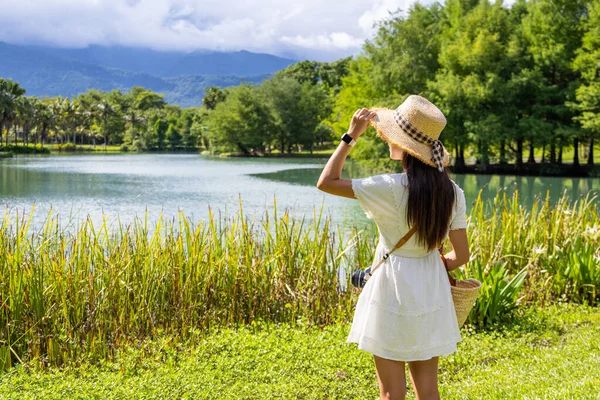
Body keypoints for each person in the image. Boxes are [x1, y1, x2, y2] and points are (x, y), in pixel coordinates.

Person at [316, 95, 470, 400]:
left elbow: (327, 182)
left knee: (391, 394)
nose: (385, 137)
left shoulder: (387, 187)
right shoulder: (453, 192)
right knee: (428, 391)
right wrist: (433, 264)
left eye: (389, 134)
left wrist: (350, 137)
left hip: (391, 286)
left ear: (406, 147)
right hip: (431, 288)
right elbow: (461, 256)